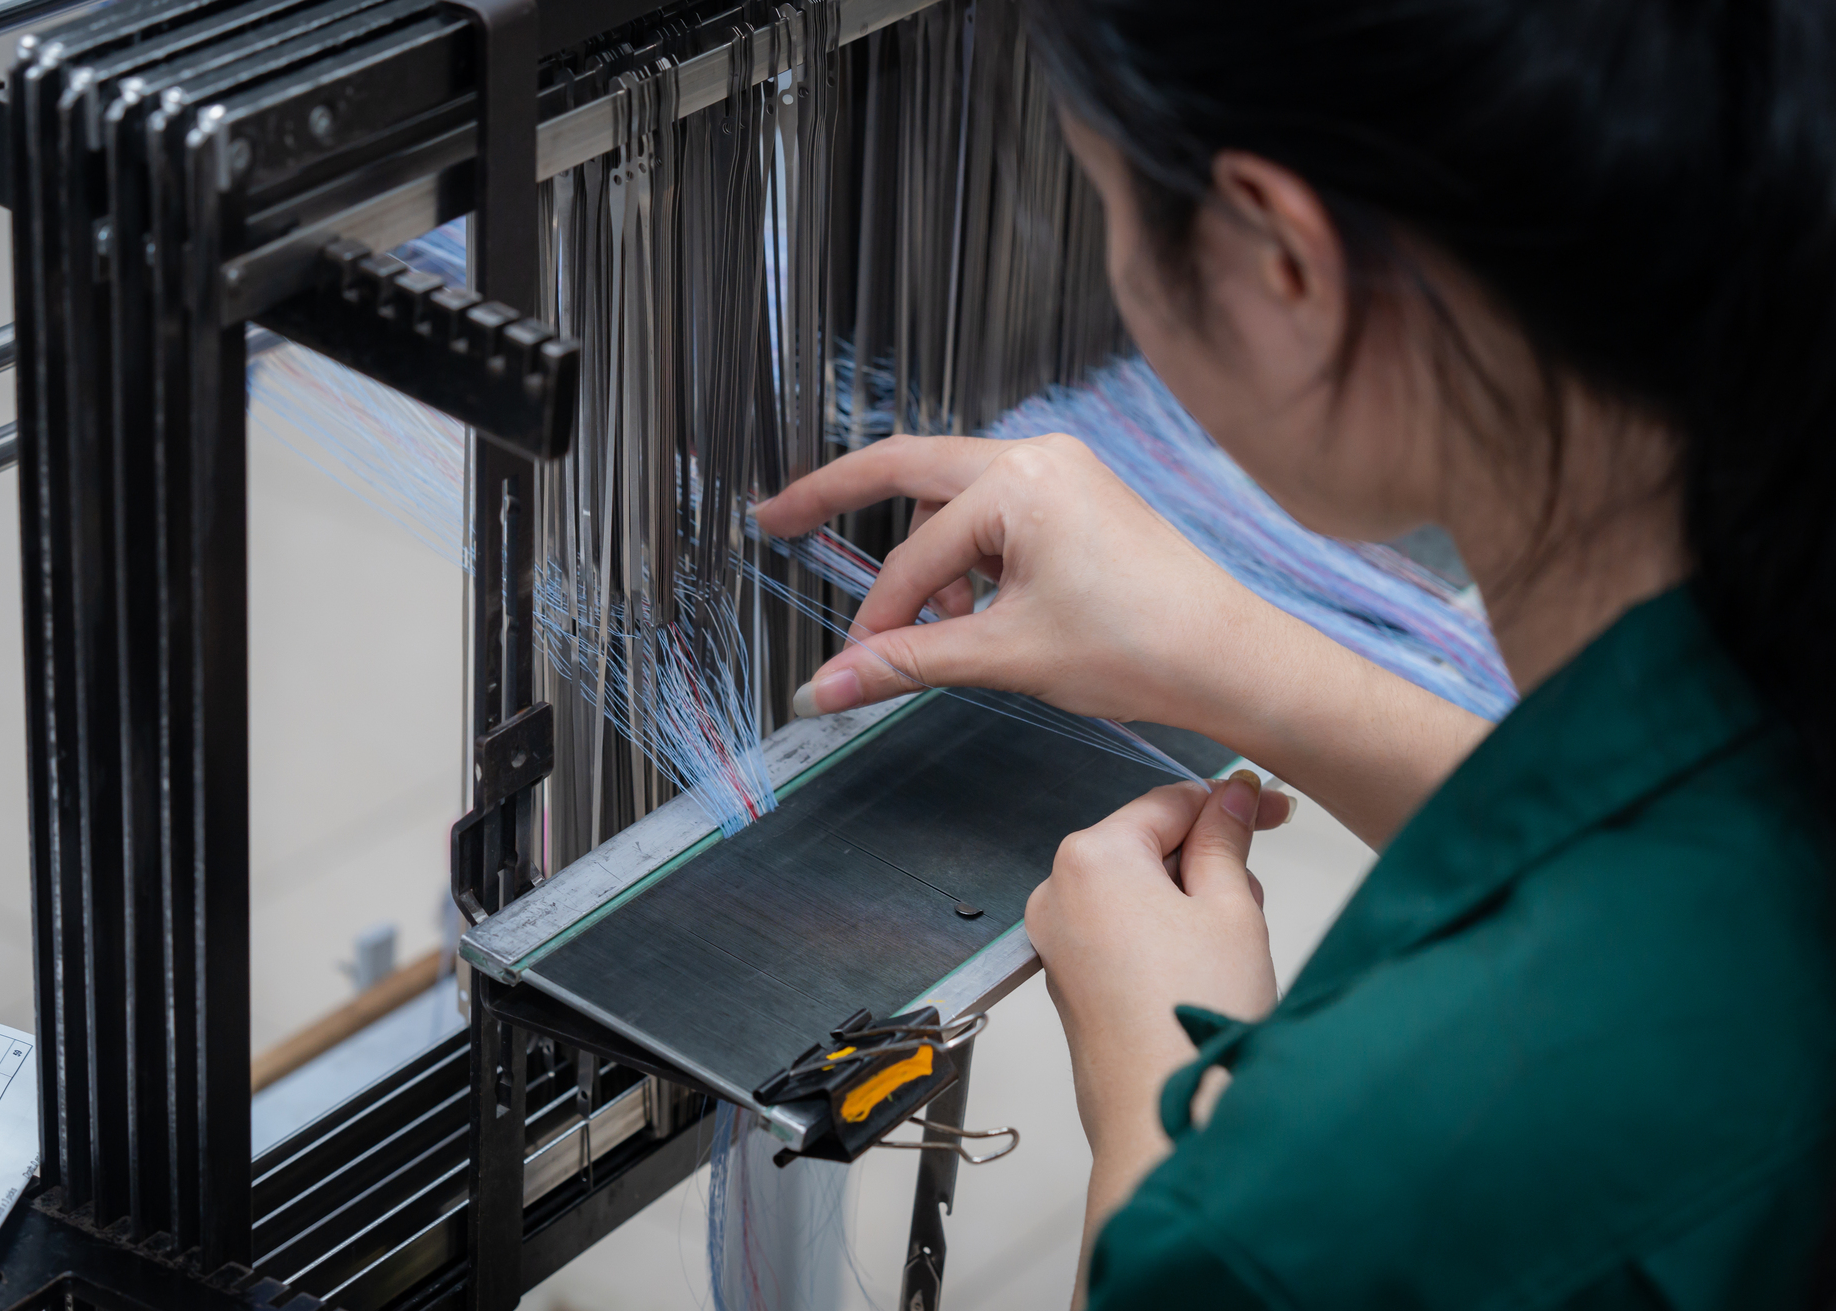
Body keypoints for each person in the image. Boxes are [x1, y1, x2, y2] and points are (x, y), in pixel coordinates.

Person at [753, 0, 1836, 1304]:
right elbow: (1699, 869)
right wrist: (1231, 655)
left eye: (1100, 197)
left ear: (1285, 263)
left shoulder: (1303, 1209)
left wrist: (1159, 1101)